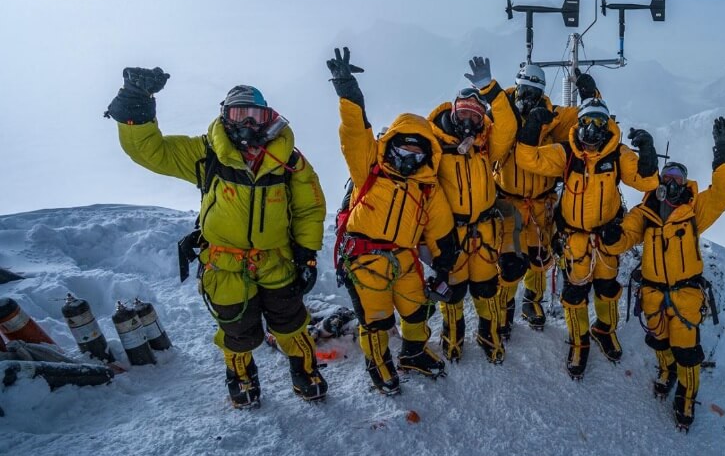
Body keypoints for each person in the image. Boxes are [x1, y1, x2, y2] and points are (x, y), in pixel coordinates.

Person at [105, 67, 328, 408]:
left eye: (255, 115)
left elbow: (309, 209)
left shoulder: (290, 160)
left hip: (277, 260)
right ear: (225, 116)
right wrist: (137, 100)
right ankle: (241, 378)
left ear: (268, 118)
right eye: (239, 114)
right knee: (237, 329)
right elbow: (151, 151)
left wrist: (307, 255)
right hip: (224, 264)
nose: (247, 123)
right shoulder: (207, 154)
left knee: (292, 322)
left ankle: (305, 371)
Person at [326, 48, 460, 393]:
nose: (409, 159)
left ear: (427, 156)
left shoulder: (426, 188)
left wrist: (445, 263)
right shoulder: (369, 167)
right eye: (402, 150)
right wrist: (348, 93)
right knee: (377, 320)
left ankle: (413, 353)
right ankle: (379, 364)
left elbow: (440, 229)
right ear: (391, 146)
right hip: (364, 256)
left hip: (404, 257)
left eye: (417, 154)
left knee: (417, 311)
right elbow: (355, 134)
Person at [601, 117, 725, 431]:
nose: (672, 182)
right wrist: (611, 236)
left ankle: (687, 397)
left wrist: (723, 154)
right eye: (668, 176)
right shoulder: (644, 212)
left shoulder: (693, 212)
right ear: (660, 181)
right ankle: (665, 372)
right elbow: (626, 237)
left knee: (687, 351)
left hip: (685, 294)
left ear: (685, 183)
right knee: (658, 341)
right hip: (652, 293)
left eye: (678, 177)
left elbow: (721, 196)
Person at [515, 94, 659, 379]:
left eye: (599, 122)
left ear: (607, 126)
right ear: (578, 123)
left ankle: (604, 329)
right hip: (574, 240)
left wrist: (647, 152)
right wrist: (532, 126)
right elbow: (527, 158)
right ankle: (578, 341)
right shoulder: (567, 153)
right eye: (587, 121)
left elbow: (648, 181)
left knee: (607, 289)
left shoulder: (617, 154)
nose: (592, 129)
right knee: (574, 293)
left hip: (606, 239)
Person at [426, 57, 517, 364]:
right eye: (463, 111)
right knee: (451, 292)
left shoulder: (486, 147)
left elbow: (507, 126)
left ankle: (488, 335)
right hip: (451, 235)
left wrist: (489, 90)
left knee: (486, 289)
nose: (468, 119)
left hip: (484, 231)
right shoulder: (436, 147)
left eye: (475, 115)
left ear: (482, 120)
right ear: (452, 112)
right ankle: (452, 338)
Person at [492, 64, 590, 335]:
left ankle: (531, 301)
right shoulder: (503, 117)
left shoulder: (554, 118)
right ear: (516, 88)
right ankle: (503, 309)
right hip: (509, 202)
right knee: (510, 261)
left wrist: (590, 92)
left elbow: (592, 118)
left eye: (534, 93)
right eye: (524, 91)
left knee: (540, 257)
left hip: (541, 202)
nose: (528, 98)